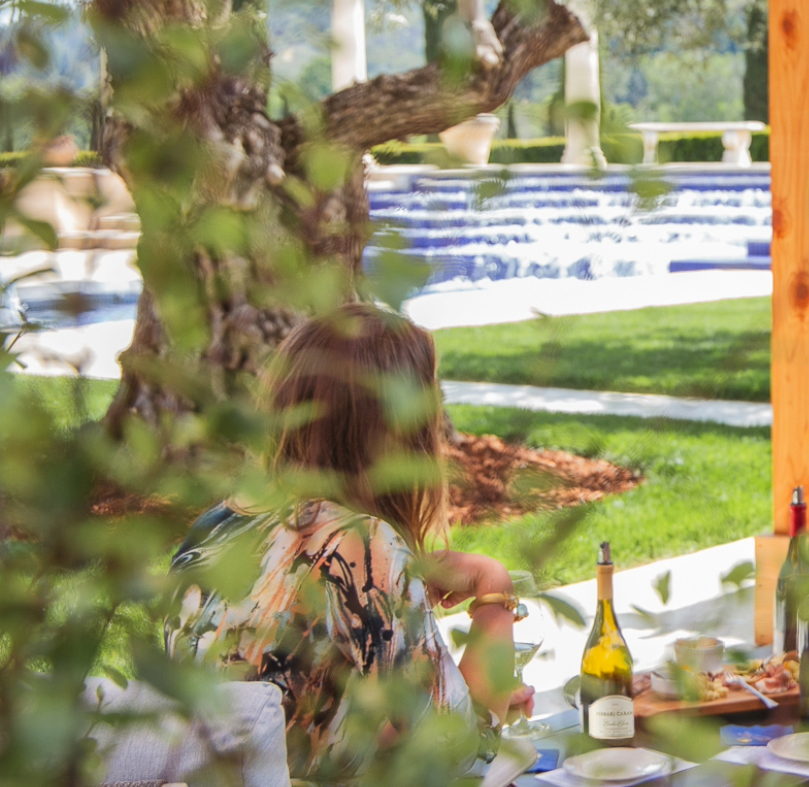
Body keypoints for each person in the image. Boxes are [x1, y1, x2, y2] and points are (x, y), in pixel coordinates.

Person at [164, 304, 534, 785]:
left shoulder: (214, 525)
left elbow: (296, 726)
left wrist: (462, 688)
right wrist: (493, 592)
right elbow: (463, 753)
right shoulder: (359, 544)